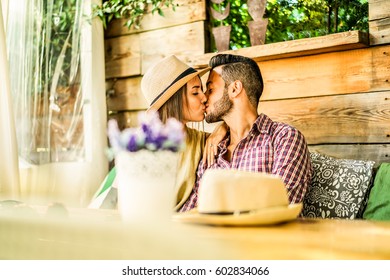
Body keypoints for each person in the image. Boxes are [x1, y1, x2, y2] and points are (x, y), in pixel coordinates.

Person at [89, 55, 226, 210]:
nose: (204, 97)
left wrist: (223, 127)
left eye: (201, 90)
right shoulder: (140, 145)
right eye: (195, 93)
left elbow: (238, 126)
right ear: (175, 100)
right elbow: (119, 203)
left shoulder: (202, 141)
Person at [180, 54, 312, 212]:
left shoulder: (284, 138)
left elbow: (281, 205)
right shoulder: (212, 149)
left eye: (210, 89)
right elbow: (191, 210)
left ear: (234, 89)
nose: (204, 98)